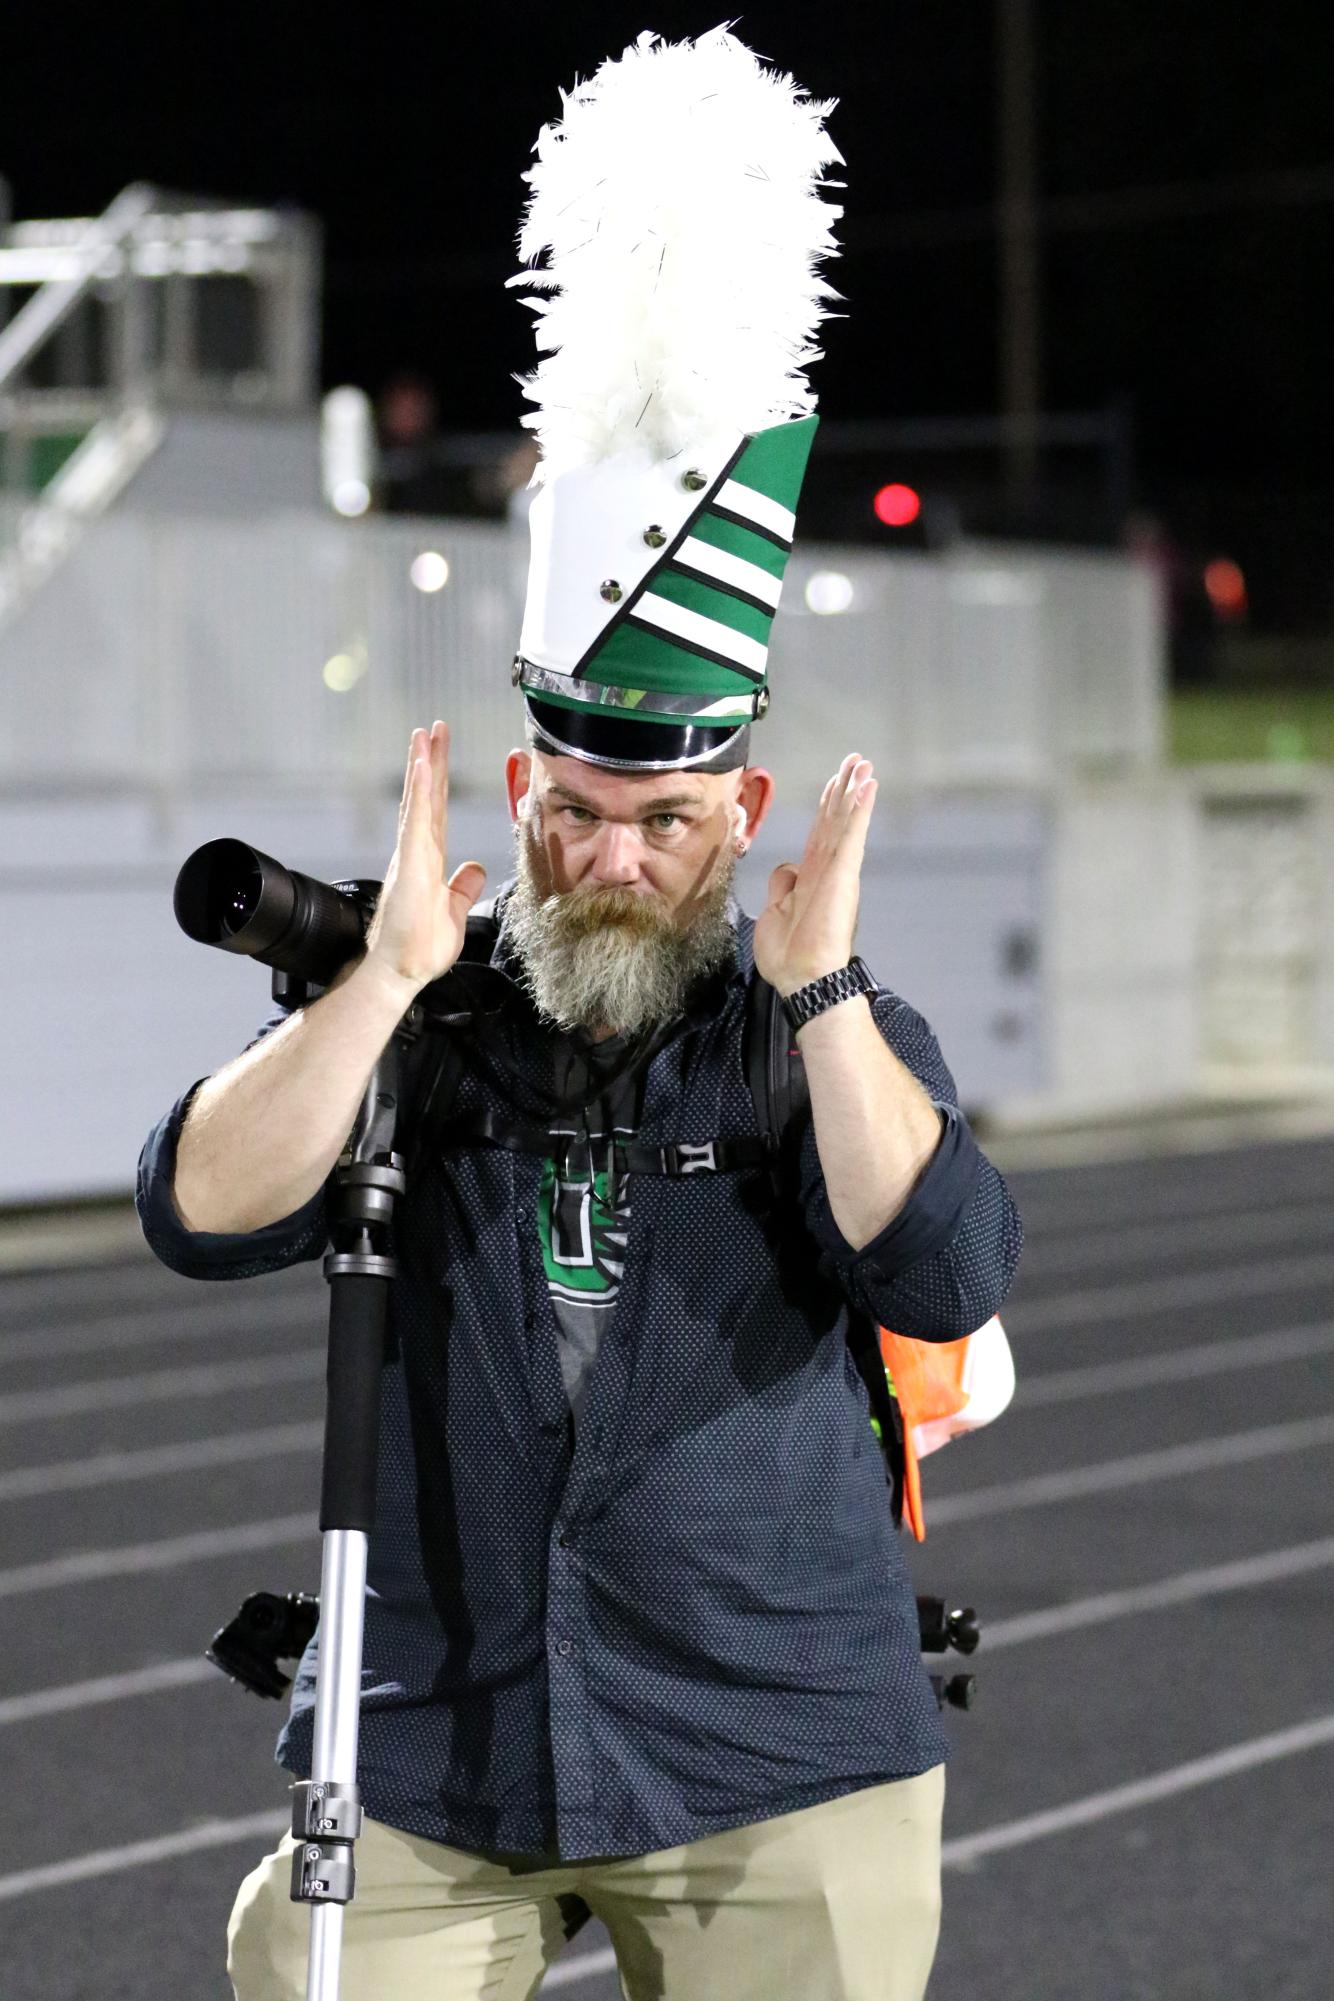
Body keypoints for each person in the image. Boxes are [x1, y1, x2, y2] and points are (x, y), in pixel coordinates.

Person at [135, 27, 1023, 1999]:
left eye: (668, 821)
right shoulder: (423, 1019)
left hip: (774, 1743)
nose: (617, 858)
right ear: (518, 797)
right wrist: (368, 993)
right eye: (580, 815)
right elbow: (195, 1204)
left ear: (747, 812)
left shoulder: (816, 1030)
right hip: (441, 1728)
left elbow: (946, 1263)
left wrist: (824, 1002)